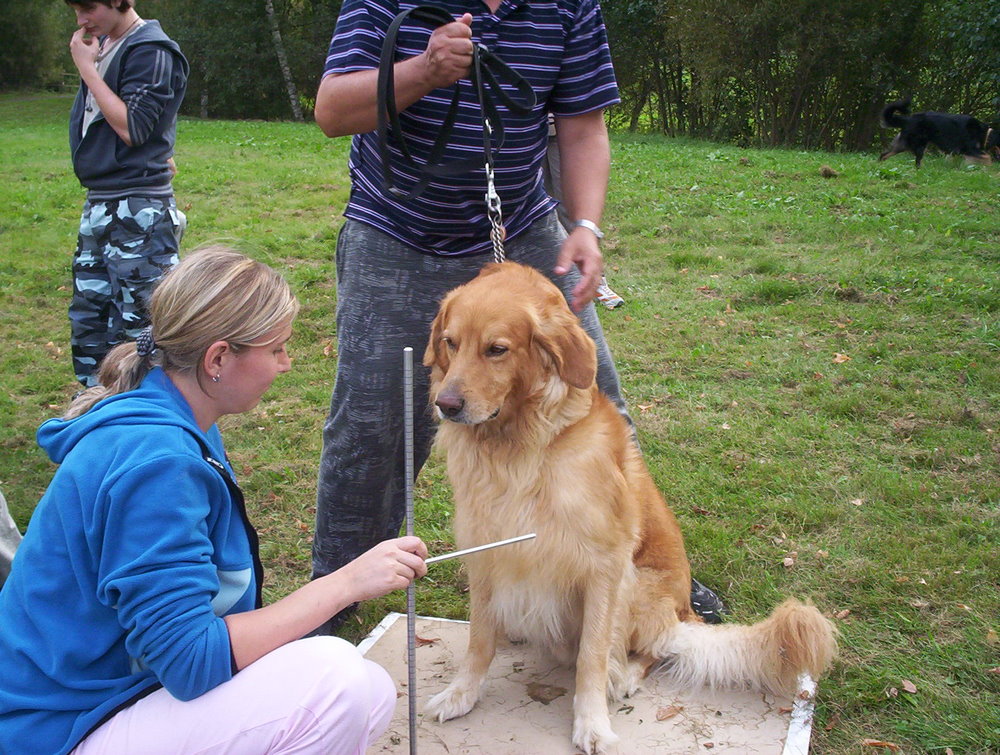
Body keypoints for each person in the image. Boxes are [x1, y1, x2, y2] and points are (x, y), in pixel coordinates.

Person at [311, 0, 725, 630]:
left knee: (597, 405)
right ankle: (330, 604)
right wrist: (421, 70)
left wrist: (584, 223)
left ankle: (653, 573)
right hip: (394, 233)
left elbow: (582, 128)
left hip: (521, 227)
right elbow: (332, 111)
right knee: (373, 427)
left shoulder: (568, 8)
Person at [0, 247, 428, 755]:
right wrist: (347, 582)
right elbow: (190, 661)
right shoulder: (156, 465)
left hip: (106, 694)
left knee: (349, 681)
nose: (287, 365)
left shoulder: (174, 415)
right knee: (340, 685)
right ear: (219, 358)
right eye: (277, 350)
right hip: (57, 730)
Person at [65, 0, 189, 387]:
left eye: (88, 8)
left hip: (138, 210)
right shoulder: (107, 47)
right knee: (91, 328)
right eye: (74, 9)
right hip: (101, 203)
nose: (81, 20)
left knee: (143, 334)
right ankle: (95, 419)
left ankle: (147, 424)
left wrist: (87, 70)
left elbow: (134, 128)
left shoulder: (150, 50)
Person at [542, 113, 625, 309]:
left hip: (563, 128)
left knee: (575, 213)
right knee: (538, 213)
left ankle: (595, 281)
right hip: (520, 129)